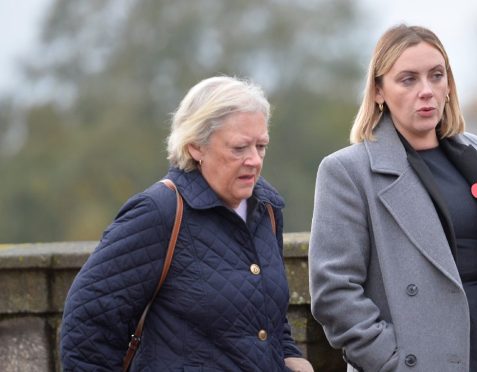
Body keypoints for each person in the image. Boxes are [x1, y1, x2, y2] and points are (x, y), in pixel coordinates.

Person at [308, 25, 477, 372]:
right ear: (379, 91)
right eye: (408, 79)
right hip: (425, 358)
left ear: (448, 84)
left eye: (436, 76)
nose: (426, 91)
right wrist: (392, 361)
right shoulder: (347, 171)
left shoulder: (476, 153)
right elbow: (334, 292)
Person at [60, 76, 314, 372]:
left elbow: (264, 311)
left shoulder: (267, 208)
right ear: (196, 147)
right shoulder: (158, 211)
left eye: (261, 146)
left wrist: (289, 354)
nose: (254, 160)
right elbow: (86, 330)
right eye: (240, 148)